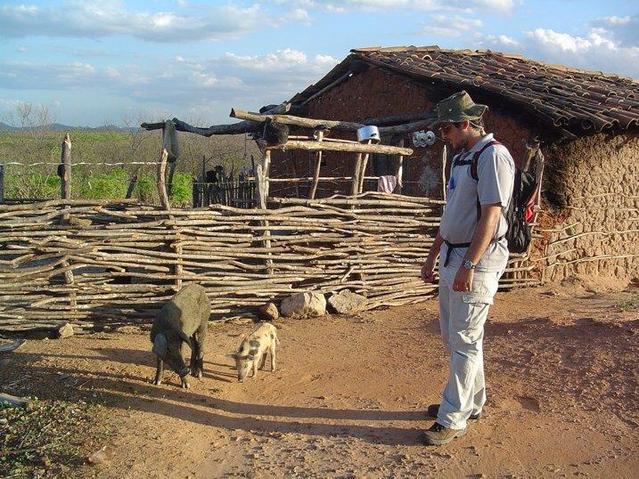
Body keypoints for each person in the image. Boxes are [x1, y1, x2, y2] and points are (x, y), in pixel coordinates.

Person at [420, 90, 515, 446]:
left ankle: (453, 417)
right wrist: (433, 254)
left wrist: (470, 265)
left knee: (464, 339)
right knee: (455, 337)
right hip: (453, 255)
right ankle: (471, 402)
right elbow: (452, 216)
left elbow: (492, 214)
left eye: (446, 130)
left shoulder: (493, 156)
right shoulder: (464, 158)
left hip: (476, 260)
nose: (442, 137)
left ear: (464, 124)